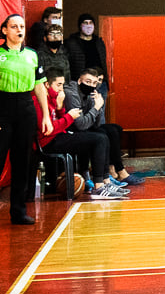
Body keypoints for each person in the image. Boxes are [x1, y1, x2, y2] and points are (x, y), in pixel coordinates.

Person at [0, 14, 52, 228]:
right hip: (1, 108)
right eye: (13, 26)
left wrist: (46, 116)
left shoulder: (32, 55)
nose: (19, 30)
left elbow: (39, 86)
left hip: (25, 108)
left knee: (23, 162)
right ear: (4, 31)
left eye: (21, 26)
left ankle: (19, 211)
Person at [34, 69, 121, 199]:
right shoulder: (39, 101)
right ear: (47, 85)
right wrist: (69, 116)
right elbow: (48, 130)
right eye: (59, 85)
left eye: (63, 84)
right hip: (48, 142)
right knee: (99, 139)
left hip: (59, 135)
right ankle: (99, 188)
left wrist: (60, 108)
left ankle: (106, 182)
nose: (62, 88)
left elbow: (60, 120)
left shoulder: (55, 98)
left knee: (103, 136)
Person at [63, 69, 141, 191]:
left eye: (94, 83)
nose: (91, 85)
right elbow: (81, 125)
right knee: (101, 137)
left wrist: (98, 106)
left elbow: (98, 123)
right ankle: (99, 182)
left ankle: (108, 177)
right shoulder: (71, 94)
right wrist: (96, 107)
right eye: (87, 81)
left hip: (83, 127)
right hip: (69, 131)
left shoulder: (90, 94)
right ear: (79, 81)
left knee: (114, 129)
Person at [66, 13, 108, 93]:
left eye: (91, 23)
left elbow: (104, 62)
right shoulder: (71, 43)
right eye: (85, 23)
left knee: (100, 104)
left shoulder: (99, 42)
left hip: (100, 83)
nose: (88, 26)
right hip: (82, 83)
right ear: (80, 26)